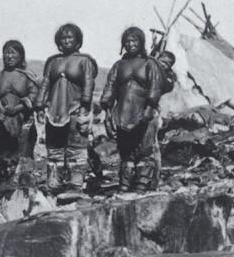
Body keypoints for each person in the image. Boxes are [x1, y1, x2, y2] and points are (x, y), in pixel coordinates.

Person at [36, 23, 98, 194]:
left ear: (78, 41)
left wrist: (85, 105)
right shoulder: (53, 62)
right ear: (58, 42)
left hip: (76, 108)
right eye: (63, 38)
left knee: (75, 149)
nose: (67, 41)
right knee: (55, 149)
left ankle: (74, 185)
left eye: (70, 37)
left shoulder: (84, 61)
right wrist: (39, 105)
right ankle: (54, 184)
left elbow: (88, 82)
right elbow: (46, 83)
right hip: (54, 110)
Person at [100, 27, 164, 191]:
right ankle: (125, 184)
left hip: (144, 112)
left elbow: (155, 87)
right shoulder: (119, 66)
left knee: (144, 150)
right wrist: (107, 111)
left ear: (141, 42)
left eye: (134, 40)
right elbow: (110, 87)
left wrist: (149, 108)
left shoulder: (150, 64)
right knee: (126, 151)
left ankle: (141, 184)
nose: (130, 44)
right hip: (122, 114)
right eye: (127, 41)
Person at [0, 40, 39, 175]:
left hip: (24, 123)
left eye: (13, 53)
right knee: (4, 156)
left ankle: (25, 184)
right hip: (2, 125)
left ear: (21, 55)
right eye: (6, 53)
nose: (10, 56)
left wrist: (18, 108)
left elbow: (34, 95)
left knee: (24, 156)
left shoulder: (27, 76)